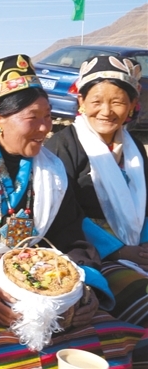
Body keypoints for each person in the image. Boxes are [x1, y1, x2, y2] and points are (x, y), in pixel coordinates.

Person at [0, 54, 145, 368]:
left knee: (105, 339)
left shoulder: (51, 171)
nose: (45, 128)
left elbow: (71, 235)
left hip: (44, 274)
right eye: (33, 118)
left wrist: (85, 286)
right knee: (8, 354)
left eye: (48, 116)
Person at [46, 57, 148, 331]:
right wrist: (116, 250)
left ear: (131, 106)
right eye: (96, 101)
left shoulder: (134, 148)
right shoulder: (63, 148)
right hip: (90, 256)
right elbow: (62, 217)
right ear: (81, 103)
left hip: (136, 248)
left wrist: (144, 244)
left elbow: (145, 205)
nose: (107, 111)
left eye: (117, 102)